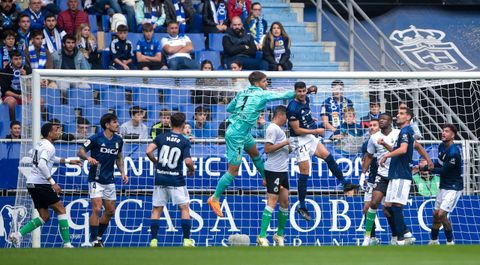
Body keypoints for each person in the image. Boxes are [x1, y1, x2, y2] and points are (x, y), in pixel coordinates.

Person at [207, 71, 296, 217]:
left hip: (244, 131)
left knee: (255, 154)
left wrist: (243, 113)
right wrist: (297, 94)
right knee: (233, 171)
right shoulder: (261, 94)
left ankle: (267, 179)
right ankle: (215, 198)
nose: (267, 83)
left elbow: (229, 108)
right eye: (265, 81)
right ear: (257, 83)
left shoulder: (242, 92)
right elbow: (282, 95)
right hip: (236, 135)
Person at [287, 81, 358, 221]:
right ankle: (301, 205)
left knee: (328, 156)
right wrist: (316, 130)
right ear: (295, 92)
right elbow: (296, 129)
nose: (302, 94)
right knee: (305, 173)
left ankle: (345, 184)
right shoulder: (292, 107)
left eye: (304, 91)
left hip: (309, 136)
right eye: (299, 91)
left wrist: (312, 91)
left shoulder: (306, 97)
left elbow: (310, 96)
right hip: (299, 140)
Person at [8, 123, 81, 248]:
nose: (59, 132)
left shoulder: (40, 143)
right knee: (61, 209)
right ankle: (67, 243)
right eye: (56, 130)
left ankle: (17, 235)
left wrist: (68, 160)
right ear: (49, 133)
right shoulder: (49, 146)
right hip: (41, 183)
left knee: (44, 216)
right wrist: (53, 182)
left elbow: (50, 158)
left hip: (32, 183)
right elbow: (42, 164)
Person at [377, 106, 433, 246]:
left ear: (408, 117)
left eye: (401, 114)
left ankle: (401, 240)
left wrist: (386, 156)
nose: (397, 115)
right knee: (387, 206)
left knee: (396, 206)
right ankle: (406, 233)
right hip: (395, 174)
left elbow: (403, 150)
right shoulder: (405, 132)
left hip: (401, 174)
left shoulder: (406, 130)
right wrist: (386, 146)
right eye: (397, 113)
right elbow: (403, 149)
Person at [77, 113, 128, 247]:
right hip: (95, 179)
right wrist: (88, 158)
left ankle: (99, 236)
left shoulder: (118, 140)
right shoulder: (96, 138)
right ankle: (94, 240)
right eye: (115, 122)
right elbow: (80, 151)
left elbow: (119, 157)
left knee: (110, 211)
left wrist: (123, 172)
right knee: (97, 209)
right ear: (107, 125)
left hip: (109, 180)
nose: (117, 124)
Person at [145, 112, 195, 247]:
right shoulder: (184, 141)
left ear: (171, 123)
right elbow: (188, 161)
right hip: (176, 180)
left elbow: (148, 151)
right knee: (184, 207)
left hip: (160, 178)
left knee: (156, 209)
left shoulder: (161, 137)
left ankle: (154, 240)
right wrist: (192, 170)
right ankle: (186, 240)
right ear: (184, 124)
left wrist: (156, 162)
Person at [256, 105, 290, 247]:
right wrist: (286, 142)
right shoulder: (272, 128)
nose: (287, 119)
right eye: (286, 116)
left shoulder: (279, 130)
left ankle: (279, 235)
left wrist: (292, 145)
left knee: (285, 202)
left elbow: (284, 149)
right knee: (272, 201)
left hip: (283, 170)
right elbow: (267, 149)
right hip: (273, 171)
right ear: (281, 115)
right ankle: (262, 236)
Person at [424, 124, 463, 245]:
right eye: (442, 131)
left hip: (454, 187)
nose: (443, 133)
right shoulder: (441, 146)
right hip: (443, 186)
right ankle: (434, 240)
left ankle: (450, 241)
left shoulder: (454, 152)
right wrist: (427, 166)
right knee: (436, 214)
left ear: (453, 135)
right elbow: (439, 163)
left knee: (441, 214)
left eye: (446, 131)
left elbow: (443, 170)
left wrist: (425, 168)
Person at [359, 118, 379, 244]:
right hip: (372, 180)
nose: (371, 127)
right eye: (370, 125)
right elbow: (364, 161)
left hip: (386, 179)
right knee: (366, 208)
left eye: (374, 125)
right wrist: (363, 175)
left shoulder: (387, 140)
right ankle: (372, 237)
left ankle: (397, 235)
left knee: (389, 209)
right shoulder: (366, 144)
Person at [0, 51, 32, 122]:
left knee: (40, 100)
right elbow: (5, 92)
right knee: (11, 102)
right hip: (11, 96)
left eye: (20, 59)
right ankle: (13, 123)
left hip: (26, 95)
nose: (18, 61)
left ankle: (37, 123)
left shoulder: (27, 69)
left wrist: (25, 77)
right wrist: (19, 96)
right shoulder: (5, 71)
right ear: (11, 60)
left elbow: (31, 88)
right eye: (16, 59)